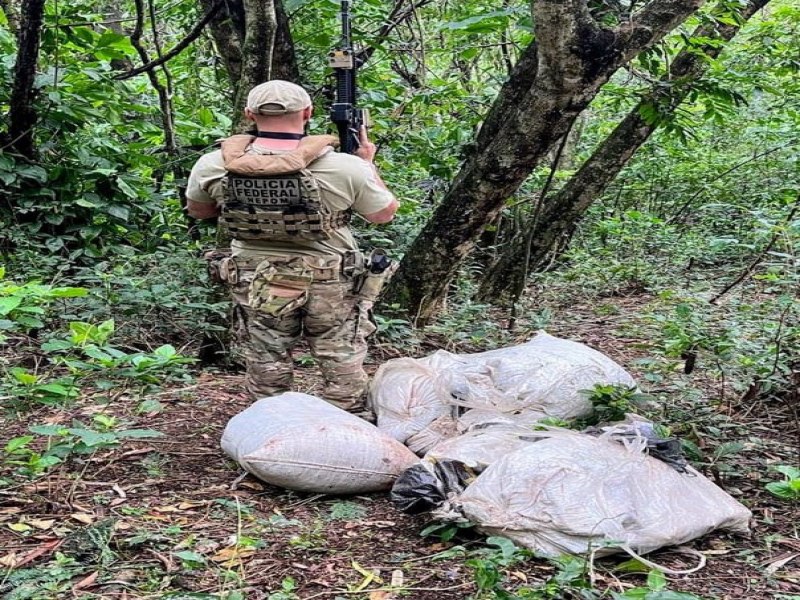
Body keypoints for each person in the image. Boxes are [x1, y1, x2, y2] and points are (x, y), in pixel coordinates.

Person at [186, 80, 398, 417]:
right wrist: (367, 163)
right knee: (340, 360)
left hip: (259, 277)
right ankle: (346, 437)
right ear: (308, 113)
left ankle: (270, 430)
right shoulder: (345, 166)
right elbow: (382, 215)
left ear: (249, 114)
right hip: (330, 280)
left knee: (266, 359)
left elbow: (200, 212)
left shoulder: (213, 164)